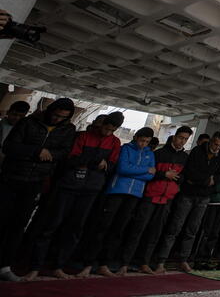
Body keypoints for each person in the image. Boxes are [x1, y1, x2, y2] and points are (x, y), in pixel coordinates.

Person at [26, 111, 124, 280]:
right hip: (68, 186)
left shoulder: (115, 142)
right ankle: (35, 266)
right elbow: (72, 158)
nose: (107, 133)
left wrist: (92, 162)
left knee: (74, 228)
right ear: (102, 124)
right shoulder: (84, 136)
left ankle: (59, 265)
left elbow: (111, 166)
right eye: (106, 128)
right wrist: (96, 161)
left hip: (91, 190)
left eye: (111, 130)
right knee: (51, 225)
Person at [0, 98, 76, 282]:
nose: (58, 119)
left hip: (36, 181)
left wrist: (49, 154)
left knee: (18, 225)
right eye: (56, 115)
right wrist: (37, 151)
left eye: (63, 117)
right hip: (11, 177)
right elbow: (10, 146)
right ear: (50, 110)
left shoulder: (67, 129)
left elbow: (64, 152)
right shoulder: (28, 123)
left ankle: (4, 266)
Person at [78, 126, 156, 277]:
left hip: (134, 195)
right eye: (141, 140)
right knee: (103, 227)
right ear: (136, 138)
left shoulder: (150, 154)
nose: (143, 144)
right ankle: (88, 263)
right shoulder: (126, 148)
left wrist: (141, 172)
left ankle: (104, 264)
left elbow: (151, 176)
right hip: (116, 191)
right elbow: (122, 168)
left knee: (118, 230)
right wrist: (144, 170)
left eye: (146, 142)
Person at [120, 126, 192, 275]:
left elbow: (184, 178)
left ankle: (144, 263)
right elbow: (150, 173)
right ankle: (124, 263)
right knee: (137, 230)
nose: (182, 141)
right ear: (174, 137)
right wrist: (164, 174)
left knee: (155, 233)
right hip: (150, 196)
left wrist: (177, 179)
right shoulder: (158, 153)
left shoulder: (185, 158)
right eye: (180, 137)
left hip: (166, 199)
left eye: (185, 139)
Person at [152, 131, 220, 273]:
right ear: (211, 141)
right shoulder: (197, 151)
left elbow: (219, 176)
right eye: (216, 144)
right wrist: (206, 180)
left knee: (192, 230)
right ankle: (161, 260)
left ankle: (183, 260)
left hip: (203, 197)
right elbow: (190, 173)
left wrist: (212, 180)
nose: (217, 147)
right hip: (188, 194)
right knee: (174, 228)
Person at [195, 150, 220, 269]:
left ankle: (207, 258)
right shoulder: (218, 171)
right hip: (213, 203)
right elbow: (217, 186)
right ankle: (198, 258)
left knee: (215, 233)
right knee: (206, 231)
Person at [0, 101, 29, 165]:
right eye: (14, 114)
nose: (17, 118)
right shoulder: (2, 125)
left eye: (21, 116)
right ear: (8, 112)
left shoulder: (23, 129)